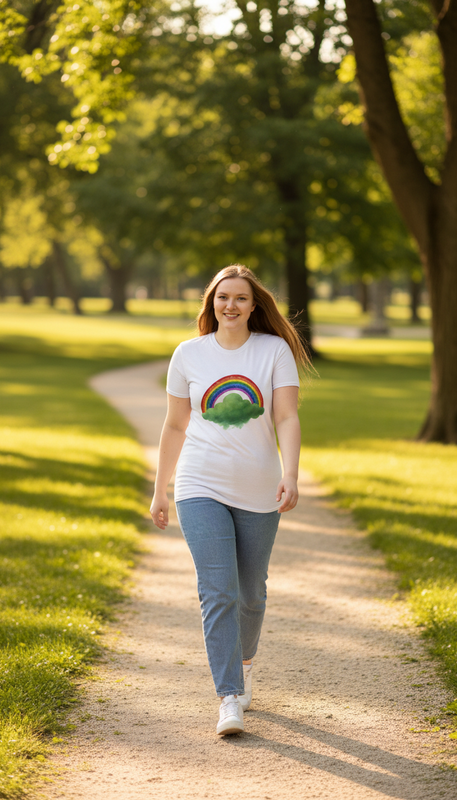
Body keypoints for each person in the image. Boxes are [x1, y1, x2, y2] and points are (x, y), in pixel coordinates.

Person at [150, 264, 311, 736]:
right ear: (211, 303)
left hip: (259, 488)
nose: (231, 305)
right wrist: (161, 488)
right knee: (217, 591)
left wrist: (291, 473)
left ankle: (244, 662)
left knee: (251, 593)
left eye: (240, 298)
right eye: (223, 297)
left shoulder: (273, 350)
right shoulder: (188, 354)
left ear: (253, 305)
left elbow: (286, 417)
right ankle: (229, 696)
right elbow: (175, 425)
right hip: (200, 485)